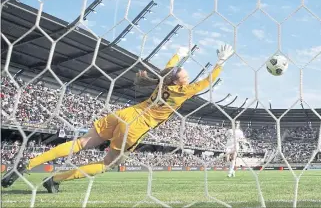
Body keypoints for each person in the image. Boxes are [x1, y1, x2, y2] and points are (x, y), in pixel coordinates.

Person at [1, 44, 234, 193]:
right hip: (135, 127)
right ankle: (55, 179)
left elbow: (168, 69)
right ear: (179, 82)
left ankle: (28, 164)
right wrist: (221, 62)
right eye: (183, 72)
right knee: (106, 165)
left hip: (123, 113)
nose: (185, 72)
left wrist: (178, 55)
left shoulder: (163, 80)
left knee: (80, 143)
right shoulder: (184, 91)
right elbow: (208, 81)